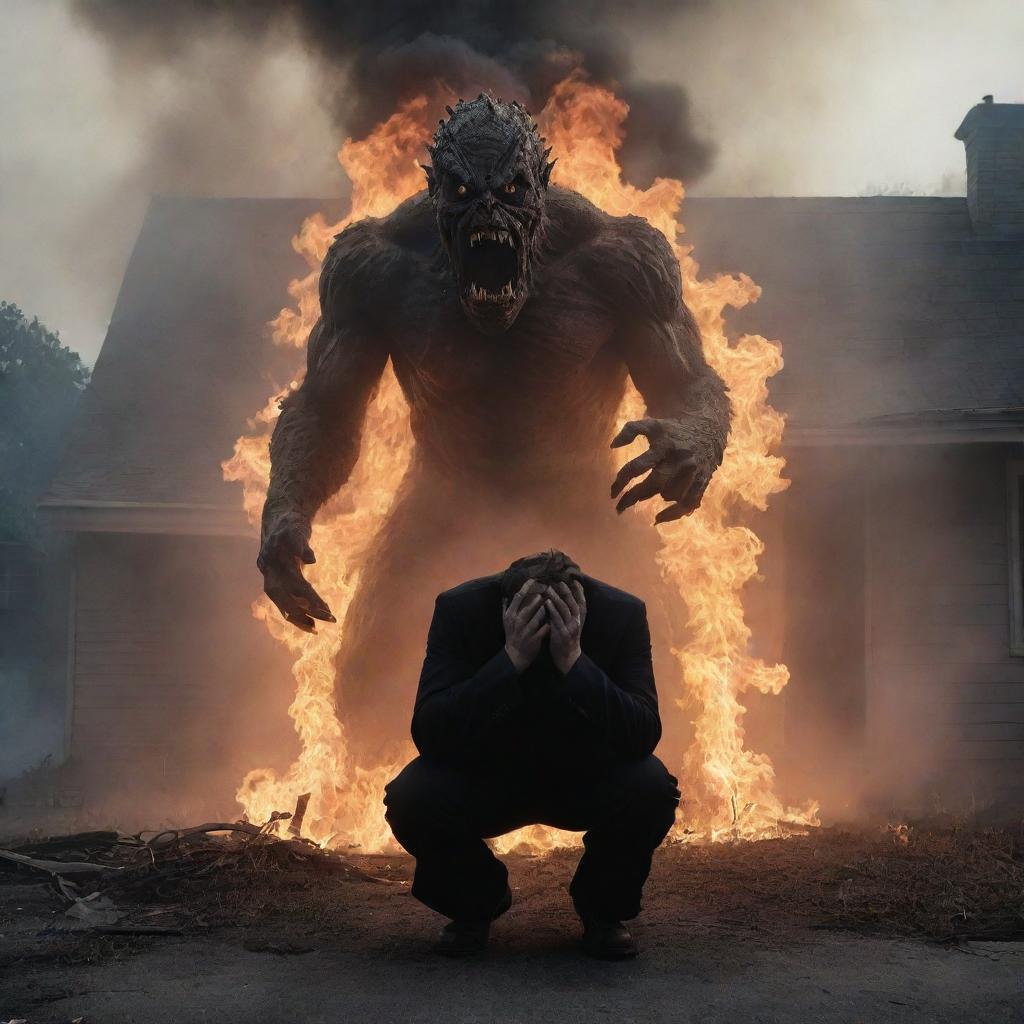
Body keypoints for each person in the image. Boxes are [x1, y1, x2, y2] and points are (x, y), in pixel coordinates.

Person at [383, 549, 680, 959]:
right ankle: (476, 903)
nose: (543, 631)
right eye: (530, 618)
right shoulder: (461, 611)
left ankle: (602, 911)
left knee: (651, 786)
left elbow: (643, 733)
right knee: (411, 796)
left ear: (581, 608)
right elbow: (431, 732)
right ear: (504, 607)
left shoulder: (620, 615)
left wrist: (574, 661)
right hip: (487, 778)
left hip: (584, 779)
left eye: (556, 618)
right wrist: (511, 660)